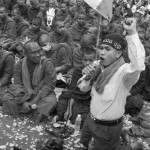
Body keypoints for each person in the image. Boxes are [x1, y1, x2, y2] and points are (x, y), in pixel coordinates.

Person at [77, 18, 145, 150]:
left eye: (107, 49)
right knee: (83, 143)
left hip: (107, 127)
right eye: (101, 48)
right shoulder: (98, 68)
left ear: (118, 53)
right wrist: (87, 77)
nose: (102, 52)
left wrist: (132, 34)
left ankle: (133, 147)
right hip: (91, 119)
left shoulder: (123, 73)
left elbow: (137, 66)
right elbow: (83, 88)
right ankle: (122, 136)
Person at [2, 41, 57, 123]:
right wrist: (23, 101)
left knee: (50, 101)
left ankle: (26, 112)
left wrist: (34, 101)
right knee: (7, 99)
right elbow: (18, 85)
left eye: (39, 51)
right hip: (25, 94)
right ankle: (33, 113)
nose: (38, 54)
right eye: (33, 53)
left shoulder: (47, 63)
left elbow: (49, 85)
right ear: (25, 53)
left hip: (42, 94)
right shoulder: (19, 65)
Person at [56, 47, 97, 126]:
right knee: (62, 104)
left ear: (95, 61)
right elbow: (72, 89)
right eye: (85, 60)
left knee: (83, 114)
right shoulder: (77, 71)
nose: (88, 63)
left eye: (91, 60)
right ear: (82, 60)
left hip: (89, 100)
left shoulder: (98, 72)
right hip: (76, 97)